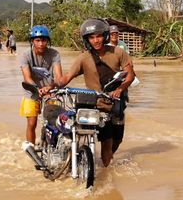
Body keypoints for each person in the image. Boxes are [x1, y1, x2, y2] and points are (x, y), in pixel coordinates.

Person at [56, 19, 135, 167]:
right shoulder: (84, 58)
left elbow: (130, 75)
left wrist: (119, 89)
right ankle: (105, 170)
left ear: (105, 36)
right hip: (97, 105)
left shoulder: (119, 53)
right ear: (87, 40)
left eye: (98, 36)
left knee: (117, 140)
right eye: (91, 37)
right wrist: (53, 85)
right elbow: (67, 77)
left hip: (117, 102)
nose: (96, 40)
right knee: (107, 140)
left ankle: (107, 160)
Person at [20, 25, 63, 150]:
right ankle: (31, 149)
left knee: (54, 122)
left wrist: (50, 87)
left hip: (50, 91)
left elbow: (59, 77)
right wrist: (37, 89)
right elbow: (27, 77)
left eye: (44, 40)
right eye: (37, 40)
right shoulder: (26, 55)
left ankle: (53, 149)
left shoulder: (54, 54)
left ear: (48, 41)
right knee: (32, 123)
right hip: (31, 91)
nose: (41, 43)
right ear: (32, 41)